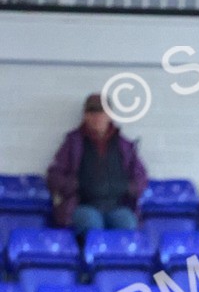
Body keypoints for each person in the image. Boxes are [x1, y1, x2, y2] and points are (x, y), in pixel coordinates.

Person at [47, 93, 148, 235]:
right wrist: (74, 185)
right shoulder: (72, 143)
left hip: (118, 206)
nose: (97, 117)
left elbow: (141, 177)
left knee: (127, 224)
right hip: (83, 205)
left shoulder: (125, 145)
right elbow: (54, 175)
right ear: (85, 116)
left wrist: (128, 187)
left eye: (101, 112)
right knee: (92, 224)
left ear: (109, 115)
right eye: (92, 112)